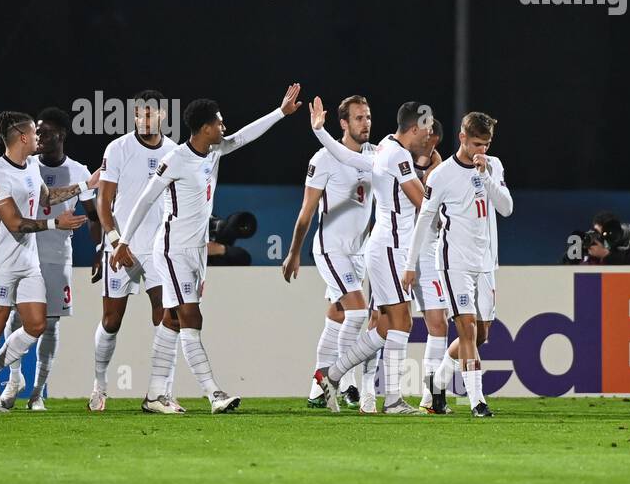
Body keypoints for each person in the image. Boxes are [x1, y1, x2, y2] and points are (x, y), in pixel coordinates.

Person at [112, 85, 303, 414]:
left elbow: (243, 136)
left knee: (172, 320)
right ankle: (214, 394)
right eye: (219, 123)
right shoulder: (176, 160)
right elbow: (145, 200)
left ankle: (155, 396)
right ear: (204, 128)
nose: (224, 128)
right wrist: (123, 241)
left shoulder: (213, 151)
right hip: (172, 251)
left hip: (196, 252)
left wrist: (280, 113)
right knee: (191, 317)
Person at [312, 100, 433, 414]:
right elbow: (422, 202)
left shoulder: (384, 149)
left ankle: (333, 375)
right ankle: (392, 400)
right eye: (428, 129)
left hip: (387, 247)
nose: (430, 135)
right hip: (390, 247)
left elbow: (347, 156)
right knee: (401, 321)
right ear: (415, 127)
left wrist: (320, 132)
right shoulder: (397, 155)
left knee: (384, 327)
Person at [0, 112, 98, 413]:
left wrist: (84, 186)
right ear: (22, 137)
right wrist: (57, 224)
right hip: (0, 260)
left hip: (29, 261)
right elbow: (15, 223)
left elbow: (46, 198)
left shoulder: (31, 166)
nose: (39, 138)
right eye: (34, 132)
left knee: (36, 324)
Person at [403, 112, 510, 418]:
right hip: (454, 263)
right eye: (477, 143)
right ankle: (478, 402)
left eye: (487, 144)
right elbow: (424, 220)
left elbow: (506, 208)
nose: (482, 150)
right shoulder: (441, 176)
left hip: (486, 263)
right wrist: (410, 264)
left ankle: (436, 383)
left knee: (481, 335)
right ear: (462, 138)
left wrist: (486, 175)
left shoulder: (494, 165)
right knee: (467, 328)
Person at [282, 95, 375, 410]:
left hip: (359, 252)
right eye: (359, 118)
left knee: (337, 316)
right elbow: (306, 212)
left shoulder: (374, 156)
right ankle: (342, 382)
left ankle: (315, 391)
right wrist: (294, 253)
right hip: (332, 249)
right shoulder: (323, 158)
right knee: (358, 312)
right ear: (344, 123)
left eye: (368, 117)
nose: (366, 124)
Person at [90, 91, 179, 412]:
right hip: (120, 248)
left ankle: (161, 391)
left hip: (158, 250)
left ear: (163, 117)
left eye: (150, 114)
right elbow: (103, 201)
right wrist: (114, 241)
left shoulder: (174, 151)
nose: (144, 119)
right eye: (139, 114)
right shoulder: (118, 149)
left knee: (168, 316)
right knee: (112, 320)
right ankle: (99, 384)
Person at [410, 120, 453, 413]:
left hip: (432, 249)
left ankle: (430, 397)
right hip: (413, 252)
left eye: (431, 137)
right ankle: (355, 388)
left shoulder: (441, 167)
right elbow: (421, 205)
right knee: (381, 323)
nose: (427, 141)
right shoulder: (401, 161)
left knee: (439, 325)